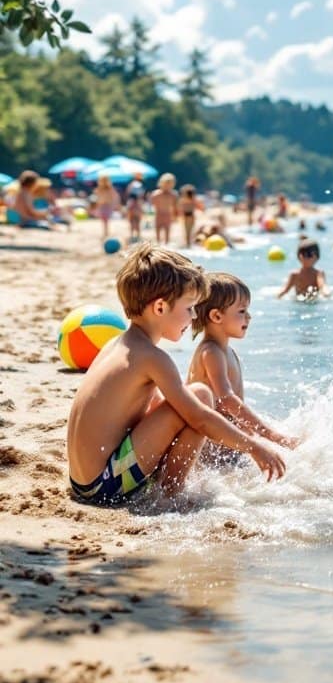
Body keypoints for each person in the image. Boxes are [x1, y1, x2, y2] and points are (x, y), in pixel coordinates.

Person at [66, 243, 286, 506]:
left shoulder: (119, 345)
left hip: (84, 481)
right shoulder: (152, 357)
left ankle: (167, 485)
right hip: (102, 486)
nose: (194, 317)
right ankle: (171, 495)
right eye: (190, 307)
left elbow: (157, 407)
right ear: (160, 308)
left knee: (197, 395)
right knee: (201, 401)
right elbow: (200, 419)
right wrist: (253, 446)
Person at [187, 272, 298, 460]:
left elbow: (233, 405)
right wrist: (271, 435)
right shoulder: (211, 352)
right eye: (242, 311)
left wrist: (251, 432)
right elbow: (228, 399)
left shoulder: (227, 351)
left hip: (228, 444)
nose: (249, 317)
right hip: (213, 451)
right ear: (216, 315)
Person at [150, 172, 178, 244]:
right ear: (161, 183)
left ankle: (166, 247)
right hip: (158, 214)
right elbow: (152, 206)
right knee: (158, 236)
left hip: (168, 215)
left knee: (167, 236)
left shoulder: (173, 195)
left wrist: (175, 216)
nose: (168, 185)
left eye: (170, 183)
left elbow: (175, 207)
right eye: (166, 183)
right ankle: (158, 247)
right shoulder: (156, 194)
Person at [93, 172, 121, 240]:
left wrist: (115, 204)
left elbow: (114, 196)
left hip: (106, 205)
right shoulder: (100, 189)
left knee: (105, 220)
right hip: (103, 206)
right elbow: (97, 198)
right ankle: (106, 232)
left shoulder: (109, 188)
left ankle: (106, 233)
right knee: (104, 220)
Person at [125, 172, 146, 244]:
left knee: (131, 221)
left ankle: (132, 236)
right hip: (137, 204)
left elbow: (128, 194)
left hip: (132, 203)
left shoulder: (131, 184)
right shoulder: (139, 185)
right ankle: (138, 236)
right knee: (137, 221)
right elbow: (141, 195)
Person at [178, 184, 199, 248]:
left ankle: (188, 243)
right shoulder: (193, 199)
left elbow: (180, 208)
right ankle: (188, 243)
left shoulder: (183, 200)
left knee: (187, 231)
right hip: (190, 215)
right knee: (189, 231)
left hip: (187, 215)